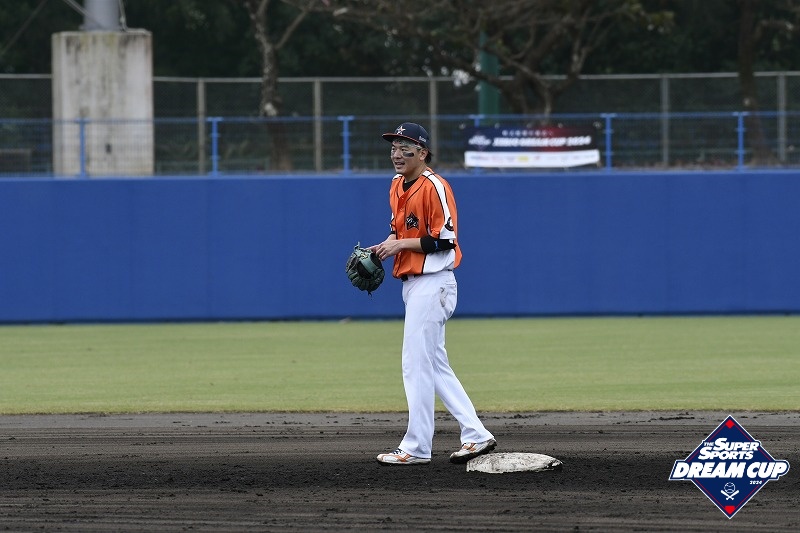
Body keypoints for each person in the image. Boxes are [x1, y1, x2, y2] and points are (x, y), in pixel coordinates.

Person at [369, 122, 496, 465]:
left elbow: (444, 240)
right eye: (393, 147)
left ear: (423, 153)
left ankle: (416, 447)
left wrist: (399, 245)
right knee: (435, 365)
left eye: (405, 148)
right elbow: (399, 232)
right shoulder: (396, 185)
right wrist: (385, 245)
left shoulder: (435, 186)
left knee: (415, 364)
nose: (397, 154)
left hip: (434, 281)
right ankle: (476, 434)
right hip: (413, 285)